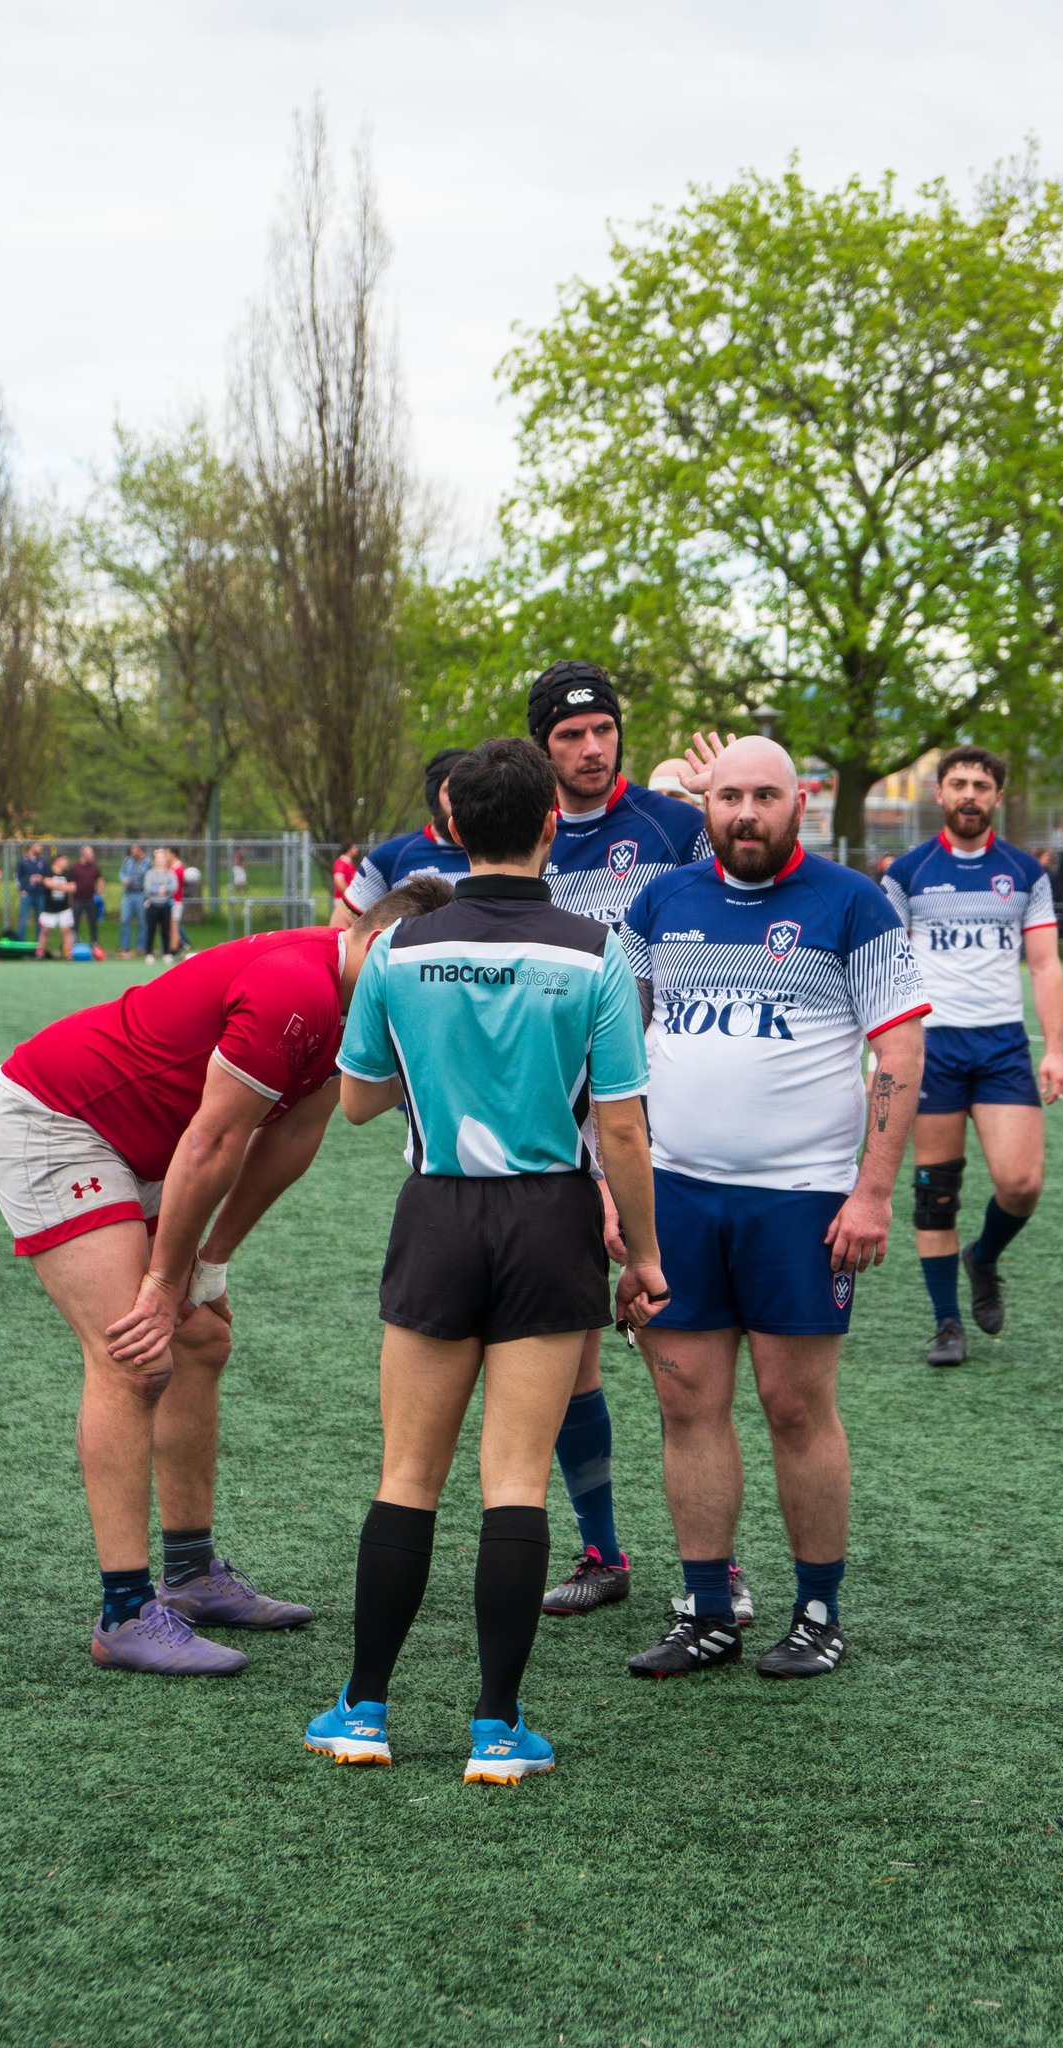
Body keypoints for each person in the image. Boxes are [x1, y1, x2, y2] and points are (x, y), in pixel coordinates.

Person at [0, 876, 449, 1674]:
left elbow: (291, 1135)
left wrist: (210, 1262)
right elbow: (211, 1145)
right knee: (135, 1353)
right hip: (58, 1120)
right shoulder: (296, 987)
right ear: (376, 946)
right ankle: (124, 1614)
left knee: (201, 1342)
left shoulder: (355, 1003)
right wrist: (163, 1285)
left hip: (145, 1144)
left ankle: (191, 1575)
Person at [305, 738, 665, 1780]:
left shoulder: (395, 949)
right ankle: (498, 1728)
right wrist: (643, 1257)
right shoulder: (595, 950)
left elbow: (357, 1101)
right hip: (551, 1221)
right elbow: (623, 1130)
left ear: (451, 825)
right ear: (552, 821)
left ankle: (364, 1709)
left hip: (438, 1215)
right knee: (516, 1481)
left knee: (407, 1476)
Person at [618, 737, 927, 1681]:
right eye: (728, 797)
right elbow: (615, 1045)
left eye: (764, 795)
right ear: (704, 805)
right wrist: (609, 1188)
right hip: (675, 1193)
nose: (745, 813)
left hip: (803, 1200)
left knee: (794, 1405)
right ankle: (707, 1611)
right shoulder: (661, 901)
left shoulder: (852, 902)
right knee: (686, 1400)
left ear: (800, 804)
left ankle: (817, 1611)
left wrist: (872, 1190)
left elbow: (899, 1053)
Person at [522, 662, 731, 1621]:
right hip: (552, 1118)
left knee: (678, 1349)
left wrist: (724, 801)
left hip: (663, 1111)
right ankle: (602, 1551)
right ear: (542, 748)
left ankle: (717, 1565)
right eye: (570, 735)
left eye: (602, 729)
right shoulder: (522, 836)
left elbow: (760, 886)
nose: (591, 748)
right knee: (571, 1349)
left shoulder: (671, 826)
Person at [882, 747, 1063, 1367]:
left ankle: (983, 1257)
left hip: (1001, 1046)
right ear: (939, 793)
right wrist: (885, 1050)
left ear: (997, 797)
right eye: (958, 783)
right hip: (932, 1046)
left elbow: (1044, 965)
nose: (969, 793)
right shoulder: (907, 871)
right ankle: (946, 1324)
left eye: (981, 785)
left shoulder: (1025, 873)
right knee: (936, 1193)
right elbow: (882, 966)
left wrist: (1056, 1049)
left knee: (1022, 1184)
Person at [330, 752, 472, 929]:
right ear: (433, 795)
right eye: (451, 790)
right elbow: (343, 922)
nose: (460, 800)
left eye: (469, 791)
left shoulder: (496, 853)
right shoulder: (390, 856)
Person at [35, 856, 77, 960]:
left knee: (66, 931)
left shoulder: (68, 874)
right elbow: (47, 883)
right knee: (45, 931)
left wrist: (56, 885)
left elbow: (73, 887)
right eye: (64, 860)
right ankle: (39, 952)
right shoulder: (48, 872)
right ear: (57, 861)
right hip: (49, 908)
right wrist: (64, 886)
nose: (66, 862)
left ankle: (69, 953)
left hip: (64, 908)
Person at [143, 848, 179, 963]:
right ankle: (149, 953)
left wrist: (165, 889)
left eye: (162, 858)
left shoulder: (170, 874)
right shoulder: (150, 874)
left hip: (165, 905)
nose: (161, 861)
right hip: (153, 905)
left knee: (165, 930)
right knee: (151, 930)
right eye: (158, 858)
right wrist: (157, 889)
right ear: (155, 860)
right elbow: (147, 888)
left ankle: (166, 953)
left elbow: (174, 887)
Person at [69, 845, 104, 952]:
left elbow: (100, 879)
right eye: (90, 853)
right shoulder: (75, 868)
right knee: (74, 923)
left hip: (90, 899)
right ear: (83, 854)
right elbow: (69, 884)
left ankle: (94, 943)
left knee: (93, 923)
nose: (92, 855)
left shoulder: (94, 867)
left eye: (92, 853)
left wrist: (99, 891)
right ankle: (73, 944)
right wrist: (69, 900)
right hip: (77, 900)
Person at [118, 845, 149, 958]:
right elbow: (121, 872)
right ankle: (124, 947)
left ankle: (140, 948)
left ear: (141, 851)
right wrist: (123, 878)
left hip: (141, 894)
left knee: (143, 921)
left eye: (134, 850)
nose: (132, 852)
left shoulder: (148, 862)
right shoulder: (128, 861)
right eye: (131, 850)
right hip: (128, 894)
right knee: (125, 920)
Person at [15, 842, 47, 941]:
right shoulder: (23, 861)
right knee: (23, 919)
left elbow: (48, 876)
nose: (40, 848)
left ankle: (39, 945)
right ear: (31, 847)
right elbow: (17, 877)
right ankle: (20, 943)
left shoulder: (43, 861)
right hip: (27, 894)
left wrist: (41, 879)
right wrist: (22, 889)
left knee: (40, 921)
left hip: (40, 894)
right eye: (38, 846)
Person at [332, 843, 360, 912]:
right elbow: (338, 880)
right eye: (354, 848)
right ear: (349, 849)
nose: (356, 850)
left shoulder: (348, 863)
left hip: (347, 901)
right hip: (343, 901)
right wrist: (349, 895)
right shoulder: (342, 863)